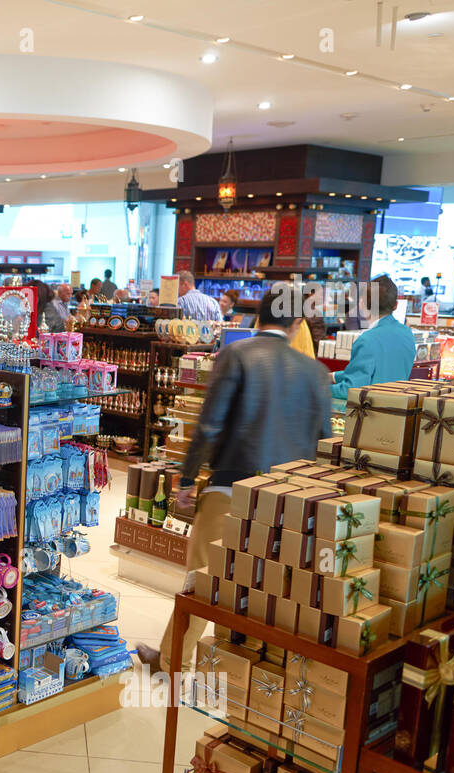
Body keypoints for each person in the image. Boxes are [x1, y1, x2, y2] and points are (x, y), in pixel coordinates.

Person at [135, 288, 333, 674]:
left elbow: (209, 425)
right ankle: (253, 675)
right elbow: (324, 442)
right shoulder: (315, 372)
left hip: (230, 489)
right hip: (287, 502)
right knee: (268, 588)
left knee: (201, 582)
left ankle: (174, 663)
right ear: (296, 325)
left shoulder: (236, 355)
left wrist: (188, 479)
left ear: (257, 319)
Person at [331, 275, 417, 400]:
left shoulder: (367, 340)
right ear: (396, 305)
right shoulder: (407, 333)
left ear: (362, 303)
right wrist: (334, 376)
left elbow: (349, 390)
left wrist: (316, 389)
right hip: (398, 409)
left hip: (371, 413)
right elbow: (381, 371)